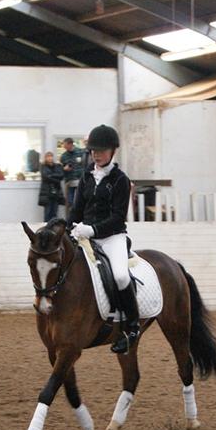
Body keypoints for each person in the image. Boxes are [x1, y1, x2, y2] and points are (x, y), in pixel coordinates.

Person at [68, 124, 137, 354]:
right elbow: (77, 210)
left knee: (119, 275)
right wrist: (69, 228)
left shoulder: (120, 180)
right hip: (86, 234)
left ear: (112, 151)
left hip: (112, 237)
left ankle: (132, 327)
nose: (96, 154)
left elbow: (118, 218)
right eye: (93, 150)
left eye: (101, 150)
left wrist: (93, 230)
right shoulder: (86, 176)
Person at [59, 137, 86, 208]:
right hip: (70, 181)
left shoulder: (81, 152)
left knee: (81, 200)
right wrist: (64, 169)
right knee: (70, 202)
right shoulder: (63, 156)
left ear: (70, 144)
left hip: (81, 180)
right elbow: (60, 169)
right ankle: (71, 217)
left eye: (65, 145)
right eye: (63, 146)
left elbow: (87, 164)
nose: (64, 147)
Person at [38, 151, 63, 223]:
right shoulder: (43, 166)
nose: (50, 158)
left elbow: (61, 176)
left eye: (51, 156)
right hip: (47, 192)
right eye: (48, 156)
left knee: (54, 212)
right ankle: (46, 228)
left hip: (56, 192)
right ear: (45, 158)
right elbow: (45, 177)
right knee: (47, 212)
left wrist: (51, 175)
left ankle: (53, 229)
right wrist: (55, 178)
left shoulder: (57, 166)